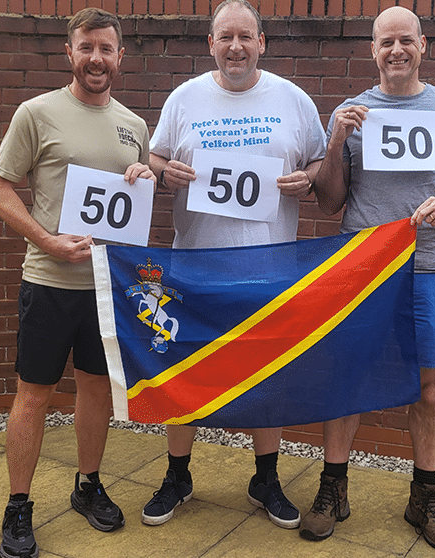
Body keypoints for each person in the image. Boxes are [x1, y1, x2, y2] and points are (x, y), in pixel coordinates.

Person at [299, 6, 435, 552]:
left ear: (423, 45)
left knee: (430, 389)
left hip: (429, 266)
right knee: (347, 379)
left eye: (405, 41)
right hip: (361, 270)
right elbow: (331, 199)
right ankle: (332, 488)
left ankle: (424, 495)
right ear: (372, 50)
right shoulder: (351, 111)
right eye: (385, 42)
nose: (396, 51)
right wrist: (336, 138)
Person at [143, 0, 326, 530]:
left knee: (267, 375)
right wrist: (164, 173)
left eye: (246, 37)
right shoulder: (184, 98)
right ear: (211, 44)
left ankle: (265, 477)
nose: (236, 47)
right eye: (225, 37)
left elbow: (317, 160)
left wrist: (308, 178)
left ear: (263, 42)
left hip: (269, 268)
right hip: (193, 268)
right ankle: (178, 474)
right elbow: (156, 157)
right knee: (181, 373)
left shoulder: (293, 99)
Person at [0, 8, 154, 558]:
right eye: (87, 48)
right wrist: (47, 241)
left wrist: (143, 177)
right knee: (33, 396)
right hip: (50, 281)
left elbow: (132, 198)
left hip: (105, 287)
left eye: (107, 49)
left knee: (96, 391)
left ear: (120, 56)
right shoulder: (36, 113)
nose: (97, 59)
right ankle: (18, 505)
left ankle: (88, 485)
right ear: (70, 52)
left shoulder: (135, 126)